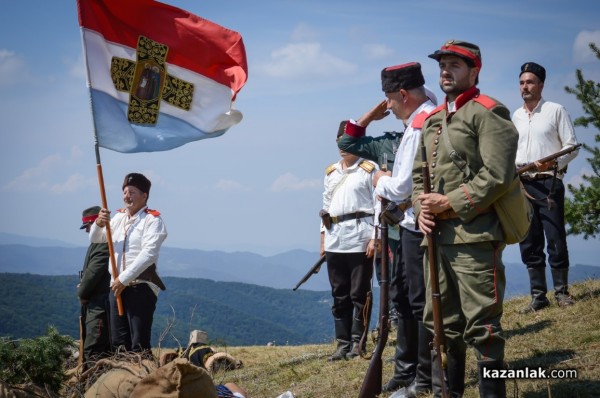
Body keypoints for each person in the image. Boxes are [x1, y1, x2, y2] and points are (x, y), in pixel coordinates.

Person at [413, 40, 518, 397]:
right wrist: (421, 210)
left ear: (474, 71)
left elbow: (499, 174)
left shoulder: (487, 113)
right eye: (442, 64)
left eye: (455, 65)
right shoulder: (432, 122)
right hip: (436, 239)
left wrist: (450, 202)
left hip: (474, 236)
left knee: (482, 325)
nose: (445, 70)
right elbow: (417, 177)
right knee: (442, 324)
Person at [351, 63, 437, 396]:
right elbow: (347, 136)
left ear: (402, 94)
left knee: (418, 302)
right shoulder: (422, 116)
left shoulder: (418, 126)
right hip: (408, 225)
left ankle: (423, 377)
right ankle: (407, 372)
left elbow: (401, 187)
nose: (388, 105)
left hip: (418, 225)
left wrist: (379, 180)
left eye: (389, 98)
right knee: (405, 297)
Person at [512, 62, 579, 313]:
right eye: (522, 82)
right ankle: (538, 296)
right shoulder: (516, 116)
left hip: (549, 183)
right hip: (522, 185)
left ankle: (562, 293)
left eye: (530, 82)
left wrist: (552, 162)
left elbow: (570, 147)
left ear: (541, 84)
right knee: (528, 240)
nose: (525, 87)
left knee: (555, 238)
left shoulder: (555, 110)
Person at [91, 172, 168, 353]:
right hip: (116, 287)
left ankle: (143, 379)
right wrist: (99, 223)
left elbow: (148, 253)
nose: (127, 196)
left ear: (144, 195)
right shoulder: (118, 218)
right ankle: (123, 379)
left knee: (138, 343)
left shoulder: (152, 220)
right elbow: (96, 239)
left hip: (139, 286)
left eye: (132, 192)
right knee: (118, 343)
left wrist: (123, 279)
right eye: (125, 192)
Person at [320, 133, 378, 361]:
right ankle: (342, 344)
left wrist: (375, 237)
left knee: (359, 294)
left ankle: (358, 342)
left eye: (348, 140)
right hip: (335, 238)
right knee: (339, 294)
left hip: (360, 238)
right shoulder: (331, 172)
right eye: (339, 140)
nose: (342, 146)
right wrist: (323, 240)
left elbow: (379, 204)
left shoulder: (368, 168)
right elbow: (325, 207)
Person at [77, 205, 112, 364]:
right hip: (96, 302)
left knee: (94, 350)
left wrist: (82, 294)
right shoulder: (98, 242)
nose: (86, 231)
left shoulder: (102, 243)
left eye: (88, 226)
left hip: (99, 304)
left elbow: (93, 273)